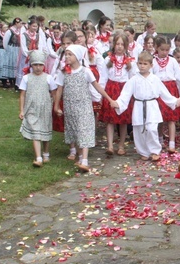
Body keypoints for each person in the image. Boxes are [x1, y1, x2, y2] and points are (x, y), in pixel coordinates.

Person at [54, 44, 116, 172]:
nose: (67, 57)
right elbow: (59, 89)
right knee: (75, 131)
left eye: (70, 54)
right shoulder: (64, 72)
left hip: (84, 106)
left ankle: (85, 161)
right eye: (66, 54)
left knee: (83, 130)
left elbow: (97, 86)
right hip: (70, 107)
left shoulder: (86, 71)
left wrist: (109, 99)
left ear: (77, 56)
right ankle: (81, 156)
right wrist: (56, 106)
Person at [113, 51, 180, 161]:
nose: (142, 66)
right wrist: (118, 103)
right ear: (137, 64)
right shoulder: (134, 79)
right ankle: (143, 151)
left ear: (151, 65)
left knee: (152, 128)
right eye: (140, 63)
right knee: (139, 130)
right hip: (139, 106)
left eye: (145, 64)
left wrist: (174, 101)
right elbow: (126, 94)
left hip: (152, 106)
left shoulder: (155, 79)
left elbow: (164, 92)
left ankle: (154, 151)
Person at [19, 50, 57, 167]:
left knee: (44, 130)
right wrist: (21, 110)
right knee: (35, 132)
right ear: (31, 65)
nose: (38, 68)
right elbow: (22, 95)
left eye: (40, 65)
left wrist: (55, 106)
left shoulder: (48, 78)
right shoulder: (26, 78)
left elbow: (54, 93)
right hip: (31, 108)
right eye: (35, 65)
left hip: (45, 108)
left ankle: (45, 153)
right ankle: (38, 157)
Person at [99, 32, 134, 157]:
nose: (119, 47)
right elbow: (103, 78)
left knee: (123, 120)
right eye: (117, 44)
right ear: (114, 45)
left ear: (126, 46)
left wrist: (131, 95)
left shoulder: (129, 62)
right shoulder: (108, 60)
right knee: (110, 120)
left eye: (122, 44)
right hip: (111, 90)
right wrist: (101, 95)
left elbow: (132, 79)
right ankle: (109, 145)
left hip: (123, 90)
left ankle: (121, 145)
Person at [152, 36, 180, 153]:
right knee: (159, 118)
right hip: (158, 90)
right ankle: (159, 140)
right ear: (156, 48)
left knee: (171, 119)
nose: (165, 52)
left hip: (171, 89)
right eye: (162, 50)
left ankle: (171, 142)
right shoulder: (153, 61)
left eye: (167, 50)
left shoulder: (173, 61)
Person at [0, 17, 23, 89]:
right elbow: (5, 42)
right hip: (11, 49)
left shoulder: (20, 31)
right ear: (16, 23)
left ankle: (14, 81)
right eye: (20, 23)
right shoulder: (9, 31)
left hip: (17, 49)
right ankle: (7, 81)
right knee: (10, 63)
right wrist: (8, 50)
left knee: (16, 64)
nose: (21, 25)